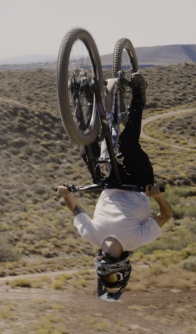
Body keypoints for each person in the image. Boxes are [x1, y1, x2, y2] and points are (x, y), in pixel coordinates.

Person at [56, 73, 173, 302]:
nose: (105, 277)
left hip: (108, 182)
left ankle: (88, 98)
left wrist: (66, 195)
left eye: (104, 280)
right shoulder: (137, 239)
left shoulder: (91, 235)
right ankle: (139, 94)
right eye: (110, 280)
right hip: (139, 182)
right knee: (126, 144)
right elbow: (166, 216)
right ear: (122, 271)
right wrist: (157, 197)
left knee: (86, 148)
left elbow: (76, 210)